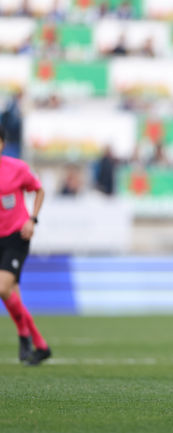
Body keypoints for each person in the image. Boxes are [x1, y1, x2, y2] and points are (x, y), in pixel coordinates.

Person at [0, 125, 52, 365]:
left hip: (16, 236)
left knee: (3, 288)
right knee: (11, 294)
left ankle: (24, 335)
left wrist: (32, 219)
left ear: (2, 144)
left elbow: (39, 190)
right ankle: (39, 345)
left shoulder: (17, 168)